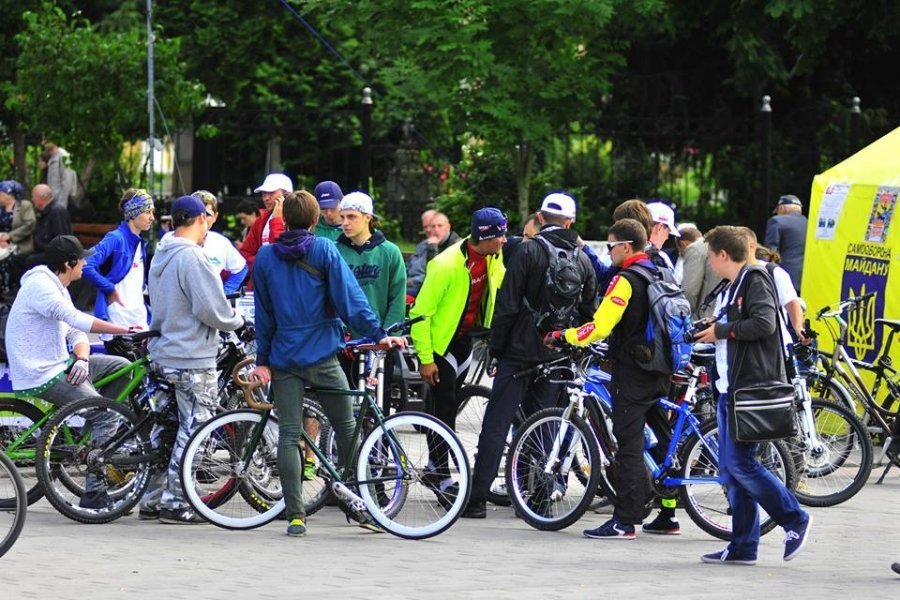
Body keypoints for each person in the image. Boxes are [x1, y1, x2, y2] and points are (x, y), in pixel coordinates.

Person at [247, 191, 406, 537]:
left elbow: (264, 315)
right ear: (315, 220)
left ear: (284, 219)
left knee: (289, 434)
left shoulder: (266, 256)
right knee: (347, 428)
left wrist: (263, 359)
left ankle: (296, 516)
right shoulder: (324, 249)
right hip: (322, 354)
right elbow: (351, 301)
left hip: (284, 357)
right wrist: (378, 333)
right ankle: (363, 504)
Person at [463, 194, 596, 519]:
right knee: (543, 427)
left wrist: (496, 350)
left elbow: (507, 306)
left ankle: (476, 500)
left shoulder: (527, 251)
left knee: (497, 424)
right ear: (571, 222)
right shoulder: (583, 260)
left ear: (540, 217)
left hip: (518, 353)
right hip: (557, 355)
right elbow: (588, 313)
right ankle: (535, 498)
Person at [544, 218, 671, 538]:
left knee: (628, 445)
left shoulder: (626, 279)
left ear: (626, 246)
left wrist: (564, 335)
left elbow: (600, 327)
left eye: (611, 246)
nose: (609, 252)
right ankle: (668, 514)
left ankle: (624, 521)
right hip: (661, 368)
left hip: (633, 372)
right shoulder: (657, 270)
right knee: (662, 440)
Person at [693, 225, 811, 564]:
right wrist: (715, 327)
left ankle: (794, 518)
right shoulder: (735, 284)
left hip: (747, 389)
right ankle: (743, 546)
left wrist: (721, 330)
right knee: (731, 471)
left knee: (741, 465)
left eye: (711, 257)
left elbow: (764, 324)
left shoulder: (755, 278)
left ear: (723, 254)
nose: (709, 264)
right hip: (730, 387)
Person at [5, 235, 132, 508]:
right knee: (106, 413)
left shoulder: (59, 286)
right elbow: (78, 319)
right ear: (68, 263)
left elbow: (74, 331)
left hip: (60, 363)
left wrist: (82, 358)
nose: (85, 264)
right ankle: (94, 494)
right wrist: (127, 330)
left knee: (122, 368)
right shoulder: (40, 286)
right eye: (82, 260)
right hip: (41, 372)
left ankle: (92, 439)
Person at [140, 195, 244, 524]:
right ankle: (177, 502)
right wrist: (237, 321)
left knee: (167, 429)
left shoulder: (162, 251)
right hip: (192, 356)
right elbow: (211, 309)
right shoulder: (192, 257)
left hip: (163, 351)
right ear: (200, 219)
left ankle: (152, 498)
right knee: (197, 428)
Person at [410, 207, 507, 509]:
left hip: (467, 341)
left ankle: (434, 466)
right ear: (484, 236)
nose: (504, 240)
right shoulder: (445, 264)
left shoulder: (493, 256)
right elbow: (420, 314)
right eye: (500, 235)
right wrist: (426, 358)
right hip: (441, 346)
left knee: (448, 408)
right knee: (444, 410)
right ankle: (441, 476)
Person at [82, 189, 154, 357]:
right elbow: (86, 264)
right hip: (118, 322)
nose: (152, 217)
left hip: (140, 320)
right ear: (133, 213)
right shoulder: (116, 238)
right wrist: (109, 288)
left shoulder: (139, 242)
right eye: (148, 211)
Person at [739, 227, 809, 345]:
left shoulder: (773, 272)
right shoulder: (729, 274)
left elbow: (792, 303)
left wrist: (798, 328)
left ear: (751, 247)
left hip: (772, 345)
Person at [191, 190, 248, 293]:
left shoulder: (220, 242)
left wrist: (225, 292)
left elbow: (241, 268)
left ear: (215, 217)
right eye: (196, 213)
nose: (201, 219)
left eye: (207, 214)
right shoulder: (173, 240)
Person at [238, 172, 292, 279]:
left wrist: (277, 220)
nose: (266, 198)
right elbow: (244, 254)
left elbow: (282, 253)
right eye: (264, 194)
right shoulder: (261, 220)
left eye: (271, 193)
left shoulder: (296, 218)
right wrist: (265, 264)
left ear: (286, 194)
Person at [406, 211, 461, 296]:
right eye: (432, 226)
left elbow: (436, 274)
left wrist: (433, 248)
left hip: (438, 290)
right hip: (420, 286)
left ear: (448, 227)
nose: (436, 230)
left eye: (440, 226)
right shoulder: (426, 243)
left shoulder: (456, 245)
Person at [764, 194, 807, 293]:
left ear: (782, 208)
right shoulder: (809, 223)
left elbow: (770, 252)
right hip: (805, 279)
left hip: (784, 279)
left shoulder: (776, 221)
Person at [0, 180, 36, 296]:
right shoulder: (0, 208)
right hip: (1, 242)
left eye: (1, 193)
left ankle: (10, 291)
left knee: (9, 259)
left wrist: (10, 237)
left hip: (20, 243)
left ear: (9, 195)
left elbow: (29, 225)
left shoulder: (24, 205)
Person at [677, 225, 720, 319]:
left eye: (680, 252)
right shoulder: (719, 246)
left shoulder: (694, 249)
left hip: (703, 316)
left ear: (683, 244)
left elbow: (690, 290)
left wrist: (682, 315)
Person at [646, 201, 679, 271]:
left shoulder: (626, 250)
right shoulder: (661, 259)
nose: (667, 237)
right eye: (668, 231)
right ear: (660, 227)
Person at [43, 141, 76, 210]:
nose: (43, 142)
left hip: (62, 203)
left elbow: (67, 181)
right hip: (54, 201)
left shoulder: (64, 156)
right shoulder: (52, 157)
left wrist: (62, 205)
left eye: (47, 140)